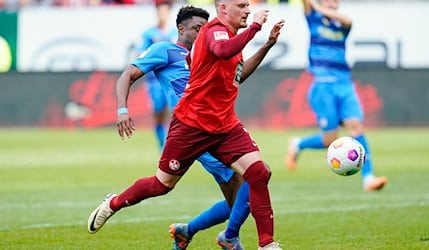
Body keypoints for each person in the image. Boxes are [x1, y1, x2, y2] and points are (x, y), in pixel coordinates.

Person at [87, 1, 285, 249]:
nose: (201, 32)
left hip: (222, 125)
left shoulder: (217, 50)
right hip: (191, 128)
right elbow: (128, 73)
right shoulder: (174, 48)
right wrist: (122, 109)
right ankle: (115, 203)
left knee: (254, 179)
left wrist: (266, 45)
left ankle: (249, 240)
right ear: (181, 29)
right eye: (195, 28)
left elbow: (238, 74)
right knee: (164, 185)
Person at [285, 0, 387, 192]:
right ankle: (299, 144)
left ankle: (368, 179)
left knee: (356, 127)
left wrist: (320, 8)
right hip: (322, 85)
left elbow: (348, 20)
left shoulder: (342, 23)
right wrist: (315, 7)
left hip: (344, 84)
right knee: (330, 140)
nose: (333, 1)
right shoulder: (313, 19)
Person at [132, 0, 178, 150]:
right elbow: (139, 54)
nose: (162, 14)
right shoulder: (149, 33)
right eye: (160, 10)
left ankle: (176, 145)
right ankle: (162, 146)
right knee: (159, 112)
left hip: (173, 80)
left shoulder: (175, 33)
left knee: (178, 113)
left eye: (165, 10)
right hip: (154, 81)